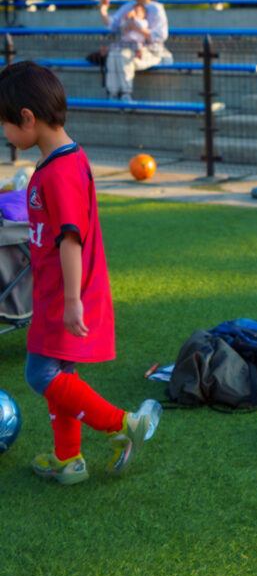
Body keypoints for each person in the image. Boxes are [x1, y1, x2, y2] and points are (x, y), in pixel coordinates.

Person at [0, 61, 160, 485]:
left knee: (40, 375)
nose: (6, 136)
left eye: (5, 126)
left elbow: (71, 239)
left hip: (64, 296)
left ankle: (120, 423)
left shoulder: (60, 171)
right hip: (57, 293)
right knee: (61, 377)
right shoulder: (60, 162)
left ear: (28, 119)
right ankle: (68, 459)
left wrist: (71, 301)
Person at [97, 0, 171, 101]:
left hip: (149, 51)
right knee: (113, 55)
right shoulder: (129, 6)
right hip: (127, 47)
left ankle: (126, 93)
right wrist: (103, 9)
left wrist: (136, 28)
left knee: (122, 56)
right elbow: (113, 25)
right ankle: (113, 93)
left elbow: (160, 35)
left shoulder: (156, 8)